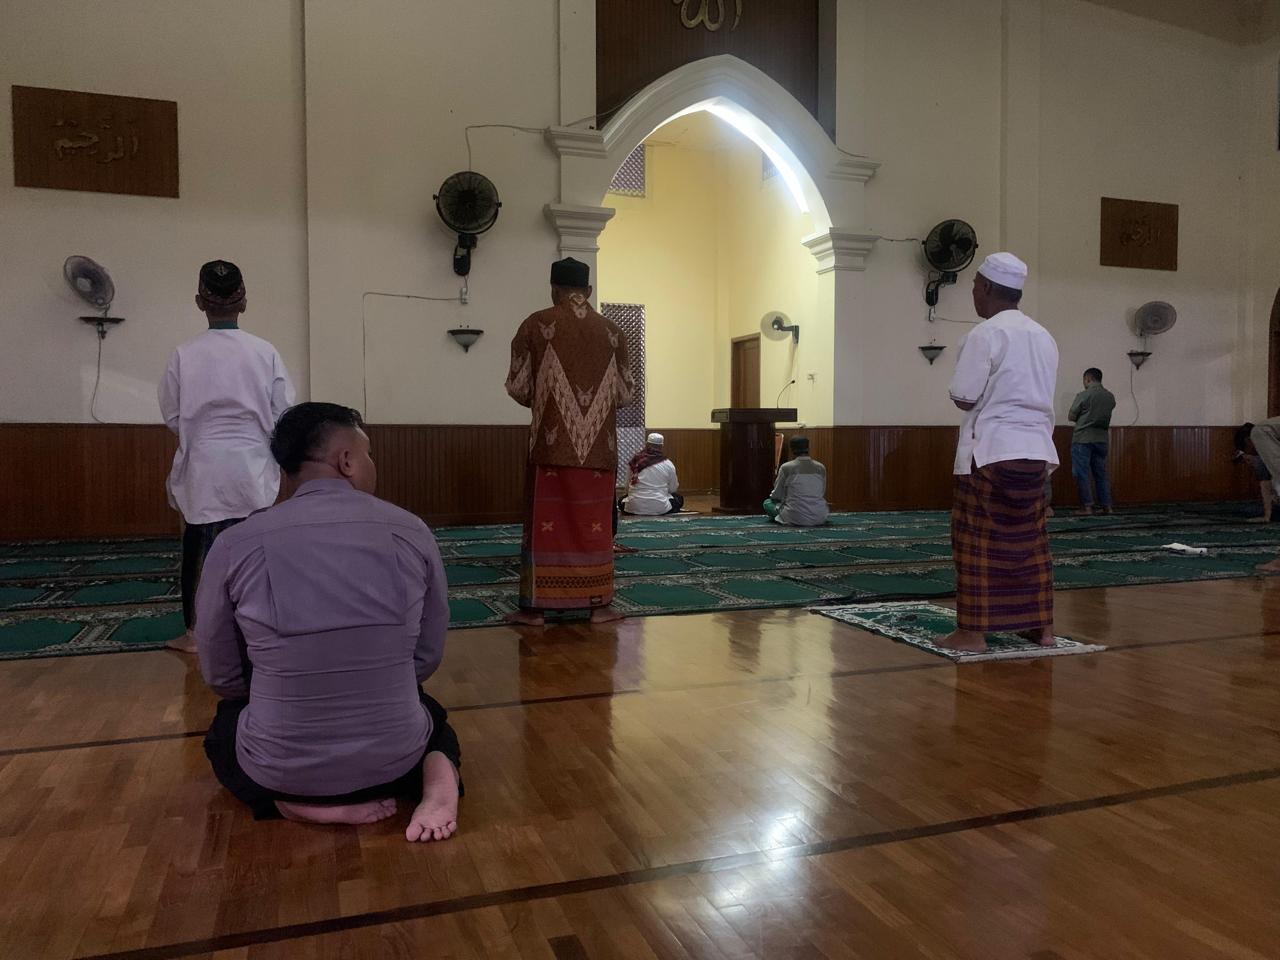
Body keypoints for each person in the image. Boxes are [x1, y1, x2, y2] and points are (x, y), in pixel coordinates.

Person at [196, 402, 461, 841]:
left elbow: (222, 676)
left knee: (224, 732)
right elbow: (426, 658)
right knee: (430, 716)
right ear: (347, 460)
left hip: (280, 770)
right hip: (395, 762)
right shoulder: (411, 530)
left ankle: (291, 803)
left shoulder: (235, 543)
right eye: (368, 453)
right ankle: (436, 779)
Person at [159, 260, 294, 653]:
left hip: (202, 465)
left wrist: (201, 437)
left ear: (200, 302)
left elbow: (172, 415)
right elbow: (283, 411)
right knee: (256, 548)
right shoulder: (265, 352)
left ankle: (194, 634)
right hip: (253, 466)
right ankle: (258, 627)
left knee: (199, 546)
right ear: (244, 302)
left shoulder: (183, 354)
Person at [504, 257, 634, 626]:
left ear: (554, 290)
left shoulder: (535, 324)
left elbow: (518, 387)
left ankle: (537, 610)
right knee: (594, 526)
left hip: (550, 447)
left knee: (547, 528)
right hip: (600, 449)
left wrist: (550, 403)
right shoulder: (614, 332)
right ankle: (598, 606)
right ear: (588, 290)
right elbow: (625, 394)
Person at [943, 252, 1059, 653]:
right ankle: (1041, 629)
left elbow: (964, 396)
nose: (974, 293)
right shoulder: (1043, 336)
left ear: (989, 288)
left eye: (976, 286)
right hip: (1037, 453)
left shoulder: (985, 334)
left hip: (991, 452)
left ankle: (972, 634)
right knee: (1029, 543)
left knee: (976, 542)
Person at [1067, 367, 1116, 515]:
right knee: (1100, 473)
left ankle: (1087, 506)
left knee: (1081, 473)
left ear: (1087, 379)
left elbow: (1071, 416)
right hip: (1101, 440)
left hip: (1082, 439)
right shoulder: (1110, 397)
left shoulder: (1084, 395)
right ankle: (1107, 506)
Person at [764, 436, 829, 526]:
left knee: (767, 503)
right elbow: (822, 492)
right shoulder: (820, 467)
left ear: (791, 450)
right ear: (808, 448)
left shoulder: (786, 467)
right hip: (820, 516)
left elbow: (777, 495)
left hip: (794, 517)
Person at [620, 433, 683, 516]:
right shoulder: (668, 464)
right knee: (679, 499)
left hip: (633, 507)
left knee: (621, 500)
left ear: (646, 444)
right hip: (661, 507)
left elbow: (627, 487)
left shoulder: (634, 461)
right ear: (661, 446)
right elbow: (673, 489)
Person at [1233, 422, 1276, 523]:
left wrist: (1267, 516)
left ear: (1249, 440)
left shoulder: (1262, 458)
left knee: (1249, 510)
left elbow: (1266, 485)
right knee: (1247, 508)